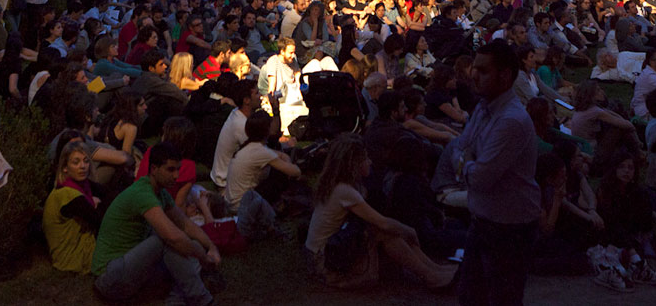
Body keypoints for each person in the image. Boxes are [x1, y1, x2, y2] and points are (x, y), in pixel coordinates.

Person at [303, 133, 456, 289]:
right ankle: (430, 275)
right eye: (366, 158)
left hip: (328, 252)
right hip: (323, 261)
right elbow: (382, 222)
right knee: (385, 231)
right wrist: (409, 231)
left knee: (386, 230)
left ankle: (433, 269)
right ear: (354, 164)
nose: (370, 162)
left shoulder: (338, 185)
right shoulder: (344, 191)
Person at [454, 40, 541, 306]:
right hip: (482, 220)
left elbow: (480, 177)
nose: (473, 75)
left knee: (502, 299)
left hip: (509, 228)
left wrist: (467, 163)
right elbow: (459, 149)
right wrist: (469, 162)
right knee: (470, 297)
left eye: (483, 70)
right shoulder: (483, 108)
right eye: (474, 68)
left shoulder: (511, 120)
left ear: (504, 75)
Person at [91, 141, 220, 305]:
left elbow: (185, 224)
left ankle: (176, 300)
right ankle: (203, 299)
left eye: (178, 169)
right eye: (170, 170)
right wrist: (203, 258)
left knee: (187, 247)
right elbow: (173, 237)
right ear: (153, 169)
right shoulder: (142, 193)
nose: (176, 176)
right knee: (166, 240)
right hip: (109, 277)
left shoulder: (161, 192)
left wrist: (211, 247)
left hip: (131, 267)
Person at [225, 109, 302, 238]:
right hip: (243, 204)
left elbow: (279, 155)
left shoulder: (250, 147)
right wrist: (289, 163)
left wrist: (285, 159)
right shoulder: (259, 151)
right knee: (279, 174)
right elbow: (295, 171)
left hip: (234, 202)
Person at [44, 140, 105, 273]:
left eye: (86, 161)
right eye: (76, 162)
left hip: (78, 249)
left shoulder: (79, 185)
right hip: (74, 257)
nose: (83, 166)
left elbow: (105, 193)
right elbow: (100, 221)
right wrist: (96, 204)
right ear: (65, 167)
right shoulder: (68, 194)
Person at [211, 78, 256, 190]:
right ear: (247, 100)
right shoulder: (240, 124)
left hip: (225, 177)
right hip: (226, 183)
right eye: (257, 93)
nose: (260, 96)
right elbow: (259, 152)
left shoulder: (236, 113)